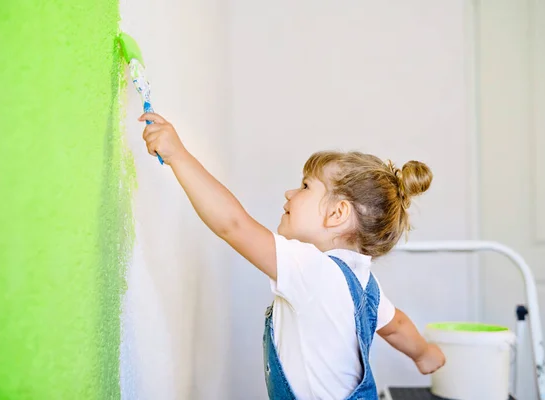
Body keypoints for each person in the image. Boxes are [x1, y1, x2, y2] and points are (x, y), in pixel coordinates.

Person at [138, 112, 446, 400]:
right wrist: (423, 354)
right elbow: (397, 325)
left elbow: (233, 225)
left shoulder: (313, 270)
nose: (290, 194)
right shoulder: (366, 287)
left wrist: (178, 155)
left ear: (337, 213)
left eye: (305, 186)